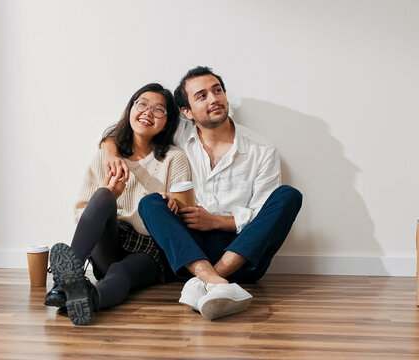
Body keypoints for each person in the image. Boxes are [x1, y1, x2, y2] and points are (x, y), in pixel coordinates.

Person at [101, 67, 303, 321]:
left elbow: (264, 214)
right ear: (186, 112)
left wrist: (218, 221)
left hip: (244, 257)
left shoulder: (262, 149)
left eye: (217, 91)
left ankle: (208, 281)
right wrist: (109, 151)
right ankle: (214, 282)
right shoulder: (178, 137)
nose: (213, 99)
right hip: (190, 253)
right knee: (151, 203)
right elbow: (127, 133)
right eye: (202, 96)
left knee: (289, 196)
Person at [45, 83, 191, 326]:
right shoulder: (106, 155)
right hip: (111, 240)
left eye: (158, 110)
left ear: (168, 121)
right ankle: (66, 282)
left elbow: (183, 213)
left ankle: (89, 300)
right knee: (102, 195)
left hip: (150, 247)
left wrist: (172, 205)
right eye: (142, 104)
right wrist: (111, 195)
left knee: (120, 273)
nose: (147, 112)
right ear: (131, 108)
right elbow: (83, 212)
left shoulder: (175, 158)